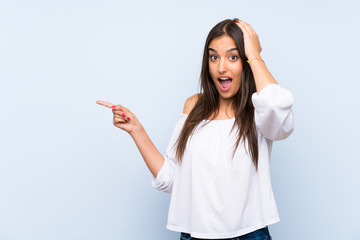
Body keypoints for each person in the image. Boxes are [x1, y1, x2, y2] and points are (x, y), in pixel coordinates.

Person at [96, 18, 294, 240]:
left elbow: (279, 111)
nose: (221, 67)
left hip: (249, 234)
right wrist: (136, 129)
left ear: (245, 62)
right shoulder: (194, 107)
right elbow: (171, 180)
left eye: (233, 57)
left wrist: (255, 55)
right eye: (214, 57)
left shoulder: (260, 109)